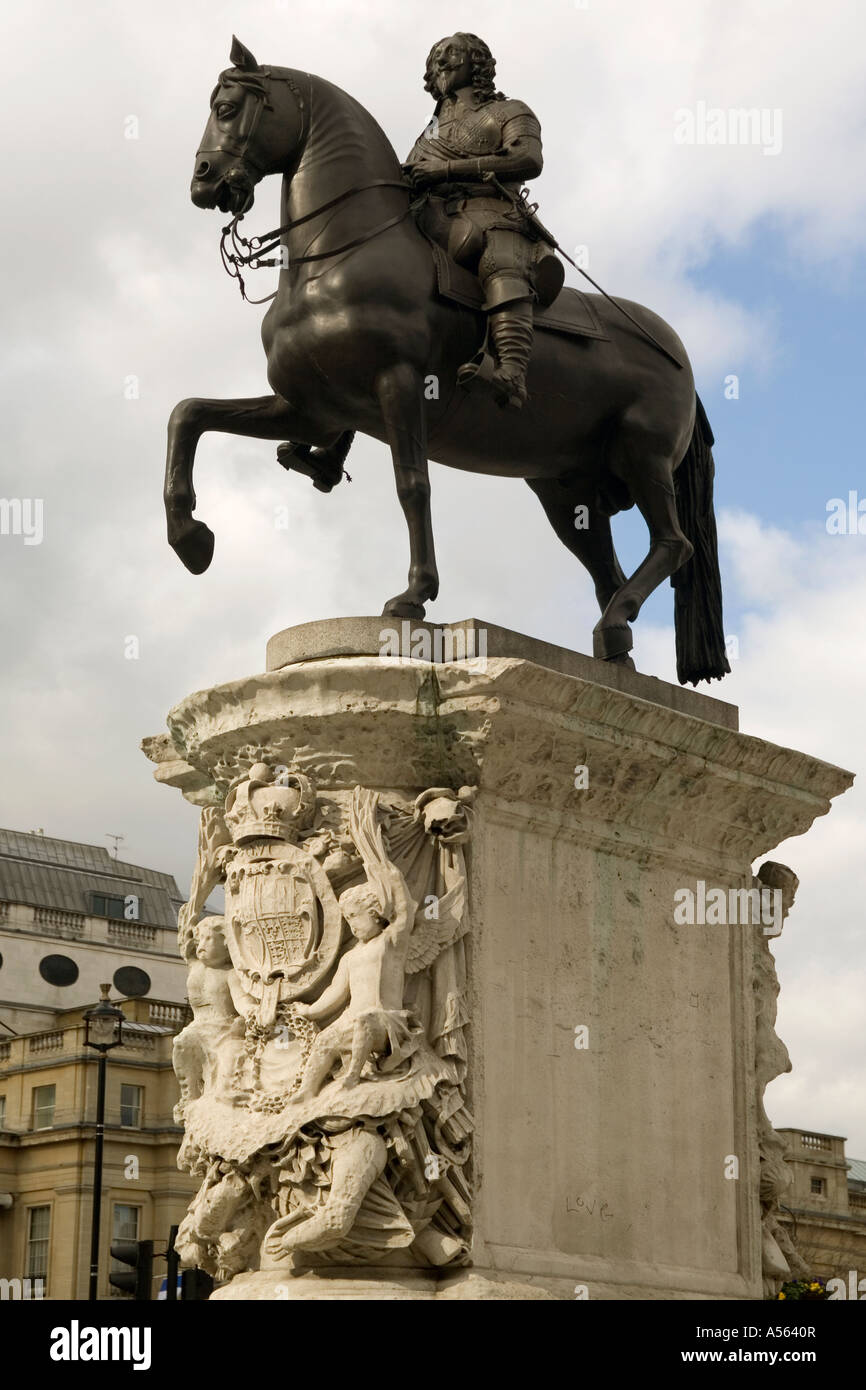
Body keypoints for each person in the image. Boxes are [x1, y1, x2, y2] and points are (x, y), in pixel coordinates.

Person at [404, 32, 549, 408]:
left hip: (491, 213)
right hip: (430, 221)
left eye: (451, 54)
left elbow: (528, 161)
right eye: (435, 57)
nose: (441, 61)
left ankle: (512, 373)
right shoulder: (429, 133)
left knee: (497, 254)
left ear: (477, 63)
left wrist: (447, 170)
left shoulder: (509, 111)